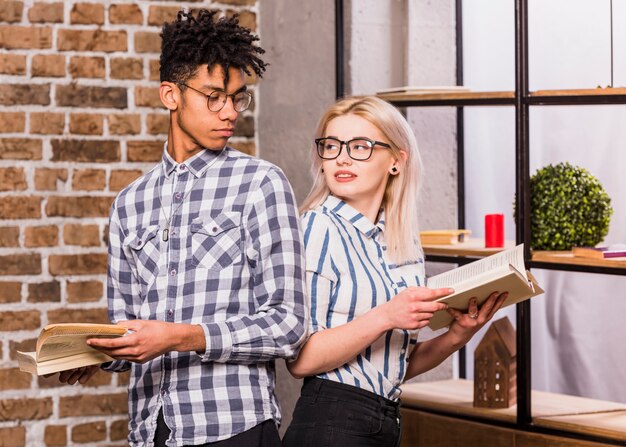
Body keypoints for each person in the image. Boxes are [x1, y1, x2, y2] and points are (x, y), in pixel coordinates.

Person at [54, 9, 307, 447]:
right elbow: (128, 325)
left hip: (233, 427)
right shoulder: (129, 204)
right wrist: (97, 353)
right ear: (171, 94)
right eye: (213, 96)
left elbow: (288, 324)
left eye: (237, 97)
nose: (229, 112)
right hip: (151, 429)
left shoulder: (261, 184)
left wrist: (181, 337)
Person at [282, 96, 506, 447]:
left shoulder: (401, 242)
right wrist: (387, 315)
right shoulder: (318, 227)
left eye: (360, 147)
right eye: (332, 146)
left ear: (396, 161)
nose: (342, 157)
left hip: (385, 419)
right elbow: (301, 360)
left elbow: (392, 366)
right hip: (331, 420)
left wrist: (455, 337)